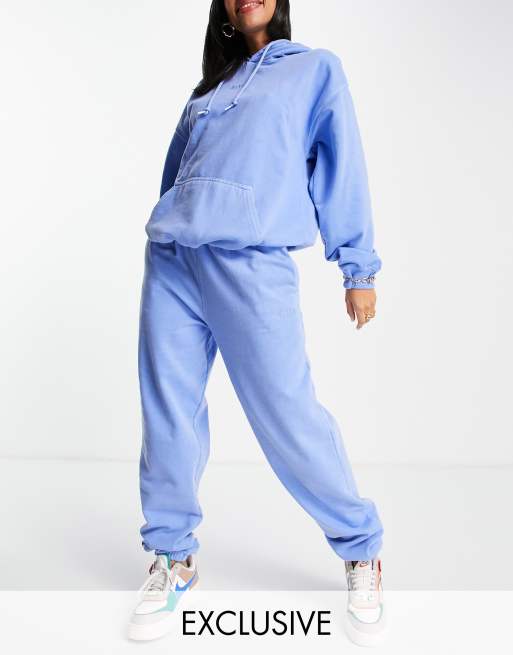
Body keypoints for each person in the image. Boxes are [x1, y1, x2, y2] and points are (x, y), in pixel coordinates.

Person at [128, 0, 386, 646]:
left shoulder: (313, 71)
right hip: (173, 261)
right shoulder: (207, 92)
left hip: (250, 260)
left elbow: (342, 166)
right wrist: (167, 226)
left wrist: (356, 268)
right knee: (168, 412)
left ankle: (361, 547)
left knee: (286, 414)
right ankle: (172, 555)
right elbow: (175, 178)